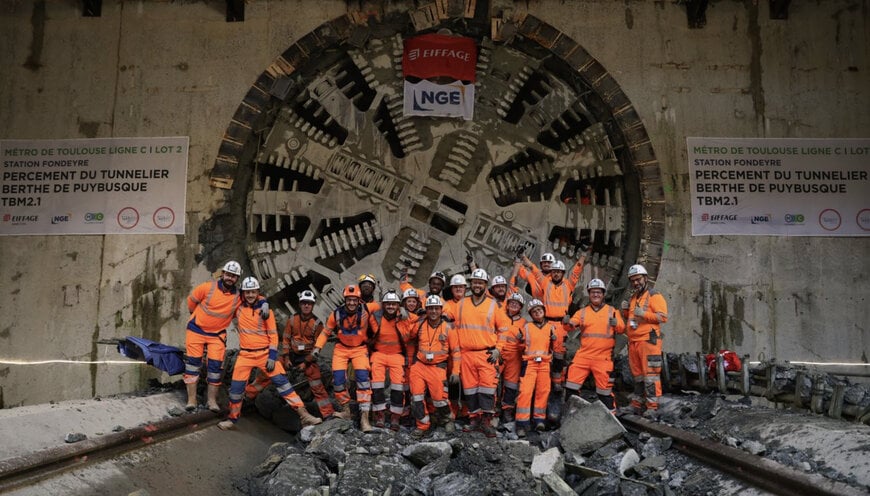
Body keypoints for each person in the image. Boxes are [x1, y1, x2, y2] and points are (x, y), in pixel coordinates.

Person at [218, 277, 322, 430]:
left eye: (253, 292)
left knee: (283, 385)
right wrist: (263, 300)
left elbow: (273, 336)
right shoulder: (238, 308)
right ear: (243, 293)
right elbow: (229, 295)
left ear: (257, 292)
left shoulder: (267, 312)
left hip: (264, 354)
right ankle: (232, 419)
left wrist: (272, 357)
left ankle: (304, 416)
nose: (250, 295)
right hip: (245, 355)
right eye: (247, 292)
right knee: (236, 389)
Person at [312, 284, 378, 431]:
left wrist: (402, 309)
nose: (352, 303)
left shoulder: (366, 309)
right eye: (349, 300)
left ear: (359, 300)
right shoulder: (336, 314)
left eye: (355, 300)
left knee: (363, 380)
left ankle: (364, 419)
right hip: (341, 348)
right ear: (345, 299)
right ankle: (347, 411)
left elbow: (386, 306)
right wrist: (317, 347)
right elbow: (326, 332)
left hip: (359, 349)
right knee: (338, 381)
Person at [454, 268, 511, 437]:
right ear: (470, 284)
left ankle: (486, 422)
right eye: (474, 282)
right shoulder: (461, 304)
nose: (477, 285)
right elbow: (445, 316)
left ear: (486, 285)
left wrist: (498, 350)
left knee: (487, 389)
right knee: (470, 390)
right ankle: (474, 420)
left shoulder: (493, 305)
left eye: (480, 283)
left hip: (487, 354)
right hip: (466, 354)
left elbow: (504, 330)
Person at [184, 261, 244, 412]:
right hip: (196, 330)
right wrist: (196, 316)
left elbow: (254, 297)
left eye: (234, 276)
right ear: (223, 274)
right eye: (228, 274)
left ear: (237, 279)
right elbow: (191, 302)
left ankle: (211, 401)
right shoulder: (207, 287)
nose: (230, 278)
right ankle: (192, 400)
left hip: (216, 335)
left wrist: (263, 303)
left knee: (215, 368)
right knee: (193, 365)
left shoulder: (238, 297)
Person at [565, 279, 625, 412]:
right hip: (584, 356)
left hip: (603, 358)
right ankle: (572, 415)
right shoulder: (583, 312)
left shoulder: (612, 311)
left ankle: (610, 422)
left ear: (603, 294)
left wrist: (617, 324)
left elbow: (622, 329)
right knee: (571, 386)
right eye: (593, 292)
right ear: (589, 294)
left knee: (604, 393)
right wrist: (567, 323)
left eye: (598, 292)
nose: (596, 295)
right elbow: (571, 325)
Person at [275, 289, 336, 419]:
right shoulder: (292, 319)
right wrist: (286, 357)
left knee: (316, 384)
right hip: (291, 354)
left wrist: (305, 362)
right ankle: (250, 395)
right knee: (272, 369)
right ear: (300, 304)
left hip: (307, 357)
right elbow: (285, 339)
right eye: (304, 303)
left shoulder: (318, 324)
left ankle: (328, 413)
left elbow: (317, 348)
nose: (306, 305)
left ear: (313, 305)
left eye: (309, 303)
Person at [408, 295, 460, 438]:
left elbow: (456, 351)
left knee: (439, 399)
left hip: (437, 367)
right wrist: (417, 319)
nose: (433, 311)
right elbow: (409, 335)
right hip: (419, 365)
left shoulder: (448, 328)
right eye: (430, 308)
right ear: (426, 310)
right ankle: (422, 425)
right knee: (417, 397)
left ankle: (447, 419)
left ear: (441, 310)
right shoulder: (420, 325)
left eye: (436, 308)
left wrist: (455, 371)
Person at [620, 264, 668, 418]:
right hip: (634, 341)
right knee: (638, 376)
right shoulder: (634, 297)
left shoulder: (654, 295)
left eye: (638, 279)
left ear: (645, 278)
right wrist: (626, 311)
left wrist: (645, 314)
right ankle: (636, 404)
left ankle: (652, 407)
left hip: (648, 341)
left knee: (651, 375)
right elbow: (633, 318)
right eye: (633, 280)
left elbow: (663, 317)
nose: (636, 283)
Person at [531, 256, 586, 387]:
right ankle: (541, 380)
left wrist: (583, 256)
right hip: (546, 323)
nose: (556, 273)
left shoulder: (568, 284)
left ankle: (556, 382)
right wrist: (524, 258)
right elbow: (535, 271)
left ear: (563, 273)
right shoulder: (546, 283)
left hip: (561, 325)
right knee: (542, 351)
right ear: (551, 273)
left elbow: (576, 271)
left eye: (559, 271)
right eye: (554, 271)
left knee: (559, 355)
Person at [369, 290, 415, 430]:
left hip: (397, 355)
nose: (390, 306)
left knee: (398, 387)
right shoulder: (375, 317)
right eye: (387, 304)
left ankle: (395, 416)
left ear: (398, 305)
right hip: (379, 354)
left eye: (393, 304)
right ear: (383, 305)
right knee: (376, 385)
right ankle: (380, 415)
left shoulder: (403, 317)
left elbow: (419, 320)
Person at [515, 299, 558, 437]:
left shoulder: (551, 328)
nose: (537, 313)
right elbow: (520, 347)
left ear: (544, 311)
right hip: (530, 364)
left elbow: (555, 348)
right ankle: (522, 423)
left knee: (543, 391)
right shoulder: (526, 328)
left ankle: (539, 419)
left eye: (539, 310)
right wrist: (519, 340)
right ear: (531, 315)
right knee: (525, 392)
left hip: (545, 364)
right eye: (534, 312)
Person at [497, 292, 526, 423]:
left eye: (517, 303)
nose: (514, 305)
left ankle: (507, 410)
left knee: (511, 384)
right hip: (498, 353)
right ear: (507, 305)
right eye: (511, 302)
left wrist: (522, 340)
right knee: (493, 382)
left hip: (515, 356)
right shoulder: (499, 317)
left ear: (521, 307)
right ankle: (493, 410)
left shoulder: (524, 323)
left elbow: (527, 343)